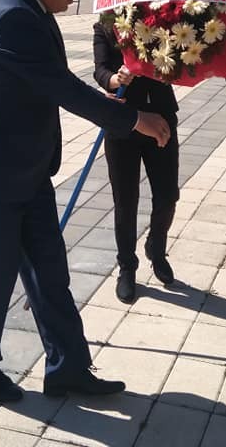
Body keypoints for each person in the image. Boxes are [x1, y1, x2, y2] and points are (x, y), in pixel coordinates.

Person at [0, 0, 170, 404]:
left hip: (27, 171)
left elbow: (53, 87)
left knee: (49, 273)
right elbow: (64, 88)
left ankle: (67, 368)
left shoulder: (32, 11)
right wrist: (135, 120)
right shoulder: (10, 20)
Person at [93, 20, 179, 304]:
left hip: (161, 116)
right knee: (126, 200)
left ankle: (156, 247)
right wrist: (117, 79)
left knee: (167, 195)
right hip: (122, 120)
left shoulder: (162, 18)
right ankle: (127, 267)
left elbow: (180, 55)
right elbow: (101, 70)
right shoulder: (105, 26)